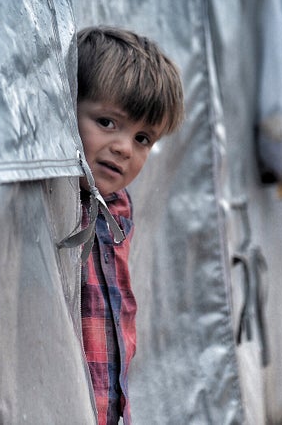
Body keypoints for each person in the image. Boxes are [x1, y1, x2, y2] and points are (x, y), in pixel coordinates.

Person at [74, 26, 185, 425]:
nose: (124, 148)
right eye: (106, 122)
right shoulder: (53, 204)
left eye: (143, 138)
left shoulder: (117, 209)